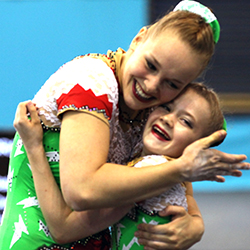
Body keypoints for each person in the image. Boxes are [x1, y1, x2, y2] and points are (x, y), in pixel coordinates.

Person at [1, 1, 249, 249]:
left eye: (172, 84)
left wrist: (195, 224)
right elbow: (81, 191)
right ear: (139, 38)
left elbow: (175, 170)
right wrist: (181, 170)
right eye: (151, 65)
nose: (152, 85)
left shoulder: (158, 110)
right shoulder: (92, 82)